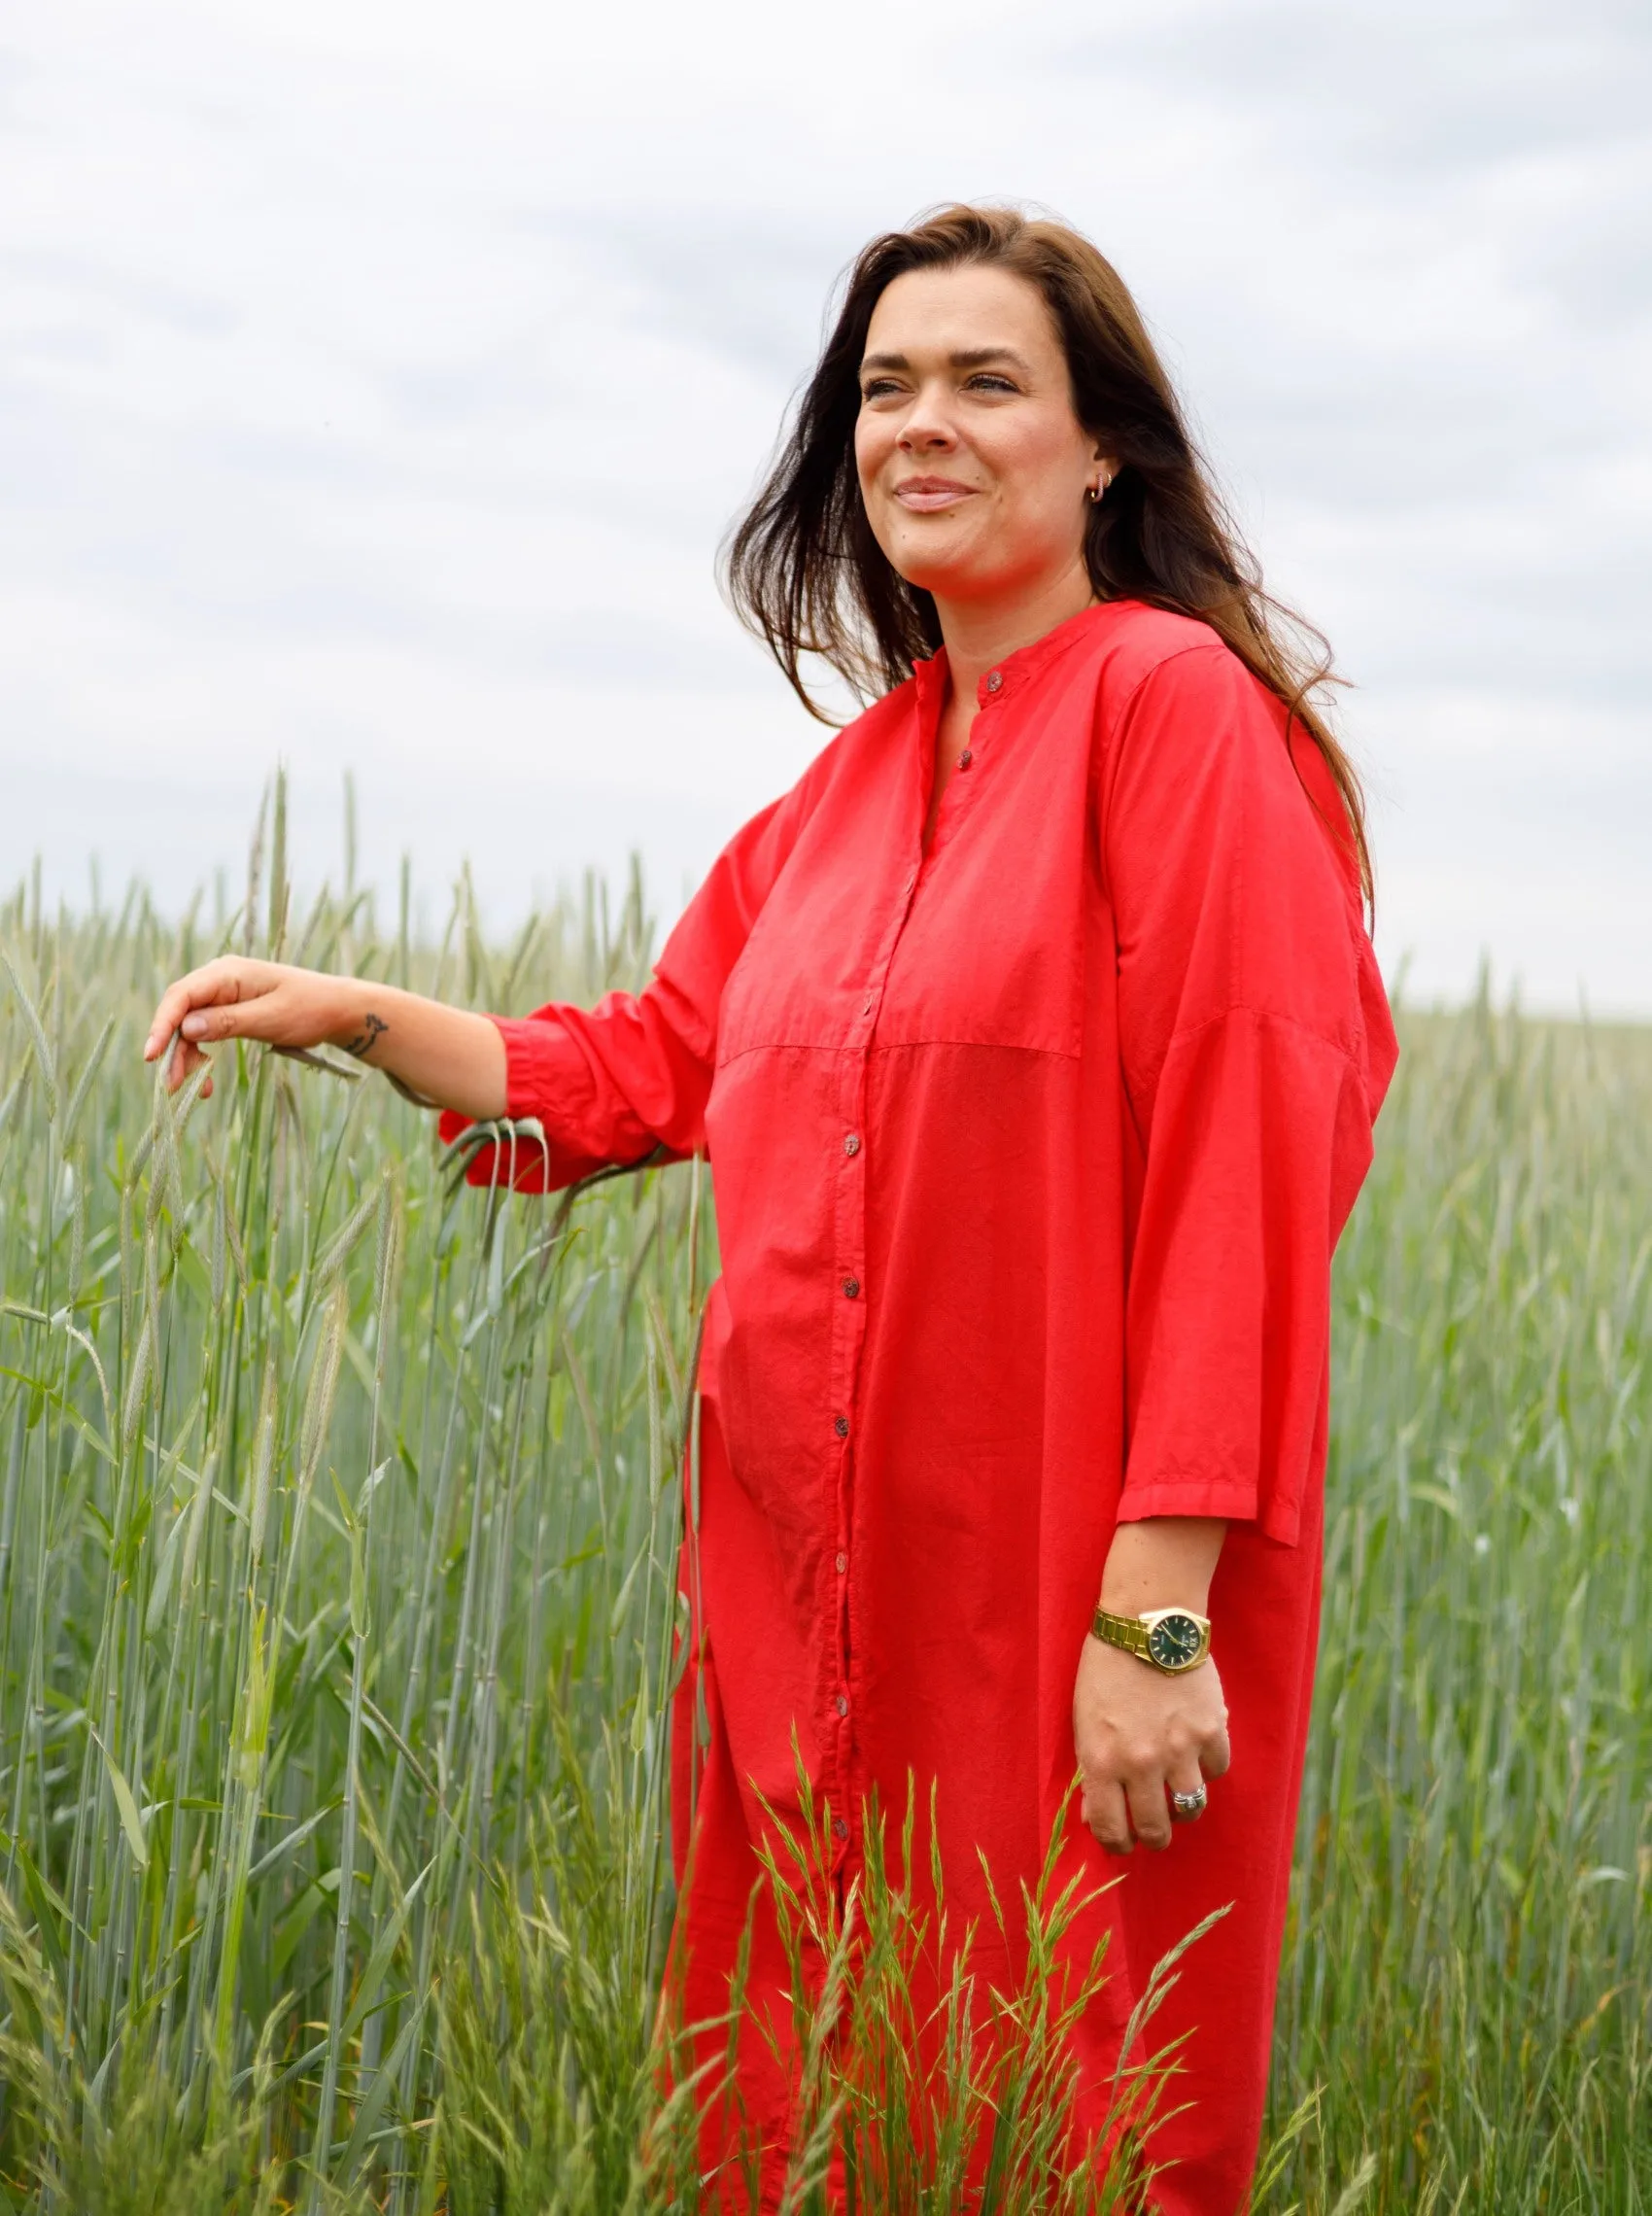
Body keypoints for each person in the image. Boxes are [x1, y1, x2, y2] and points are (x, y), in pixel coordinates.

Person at [145, 203, 1395, 2213]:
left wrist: (1158, 1612)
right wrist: (361, 1016)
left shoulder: (1174, 719)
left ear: (1106, 453)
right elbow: (652, 1063)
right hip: (803, 1605)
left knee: (1062, 2103)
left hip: (1061, 1590)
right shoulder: (840, 796)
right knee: (797, 2107)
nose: (923, 422)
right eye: (885, 386)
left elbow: (1257, 1142)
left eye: (988, 381)